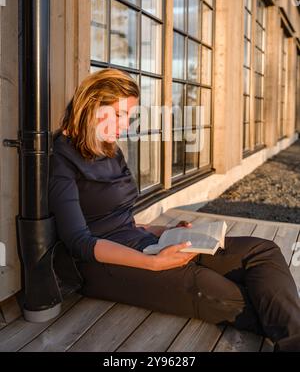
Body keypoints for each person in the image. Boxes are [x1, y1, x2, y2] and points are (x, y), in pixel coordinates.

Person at [49, 68, 300, 352]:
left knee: (262, 251)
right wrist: (152, 263)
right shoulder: (61, 158)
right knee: (224, 291)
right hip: (104, 266)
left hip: (143, 241)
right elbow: (78, 242)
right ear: (91, 105)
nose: (125, 125)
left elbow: (121, 219)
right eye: (119, 115)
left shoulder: (110, 149)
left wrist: (165, 231)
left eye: (128, 117)